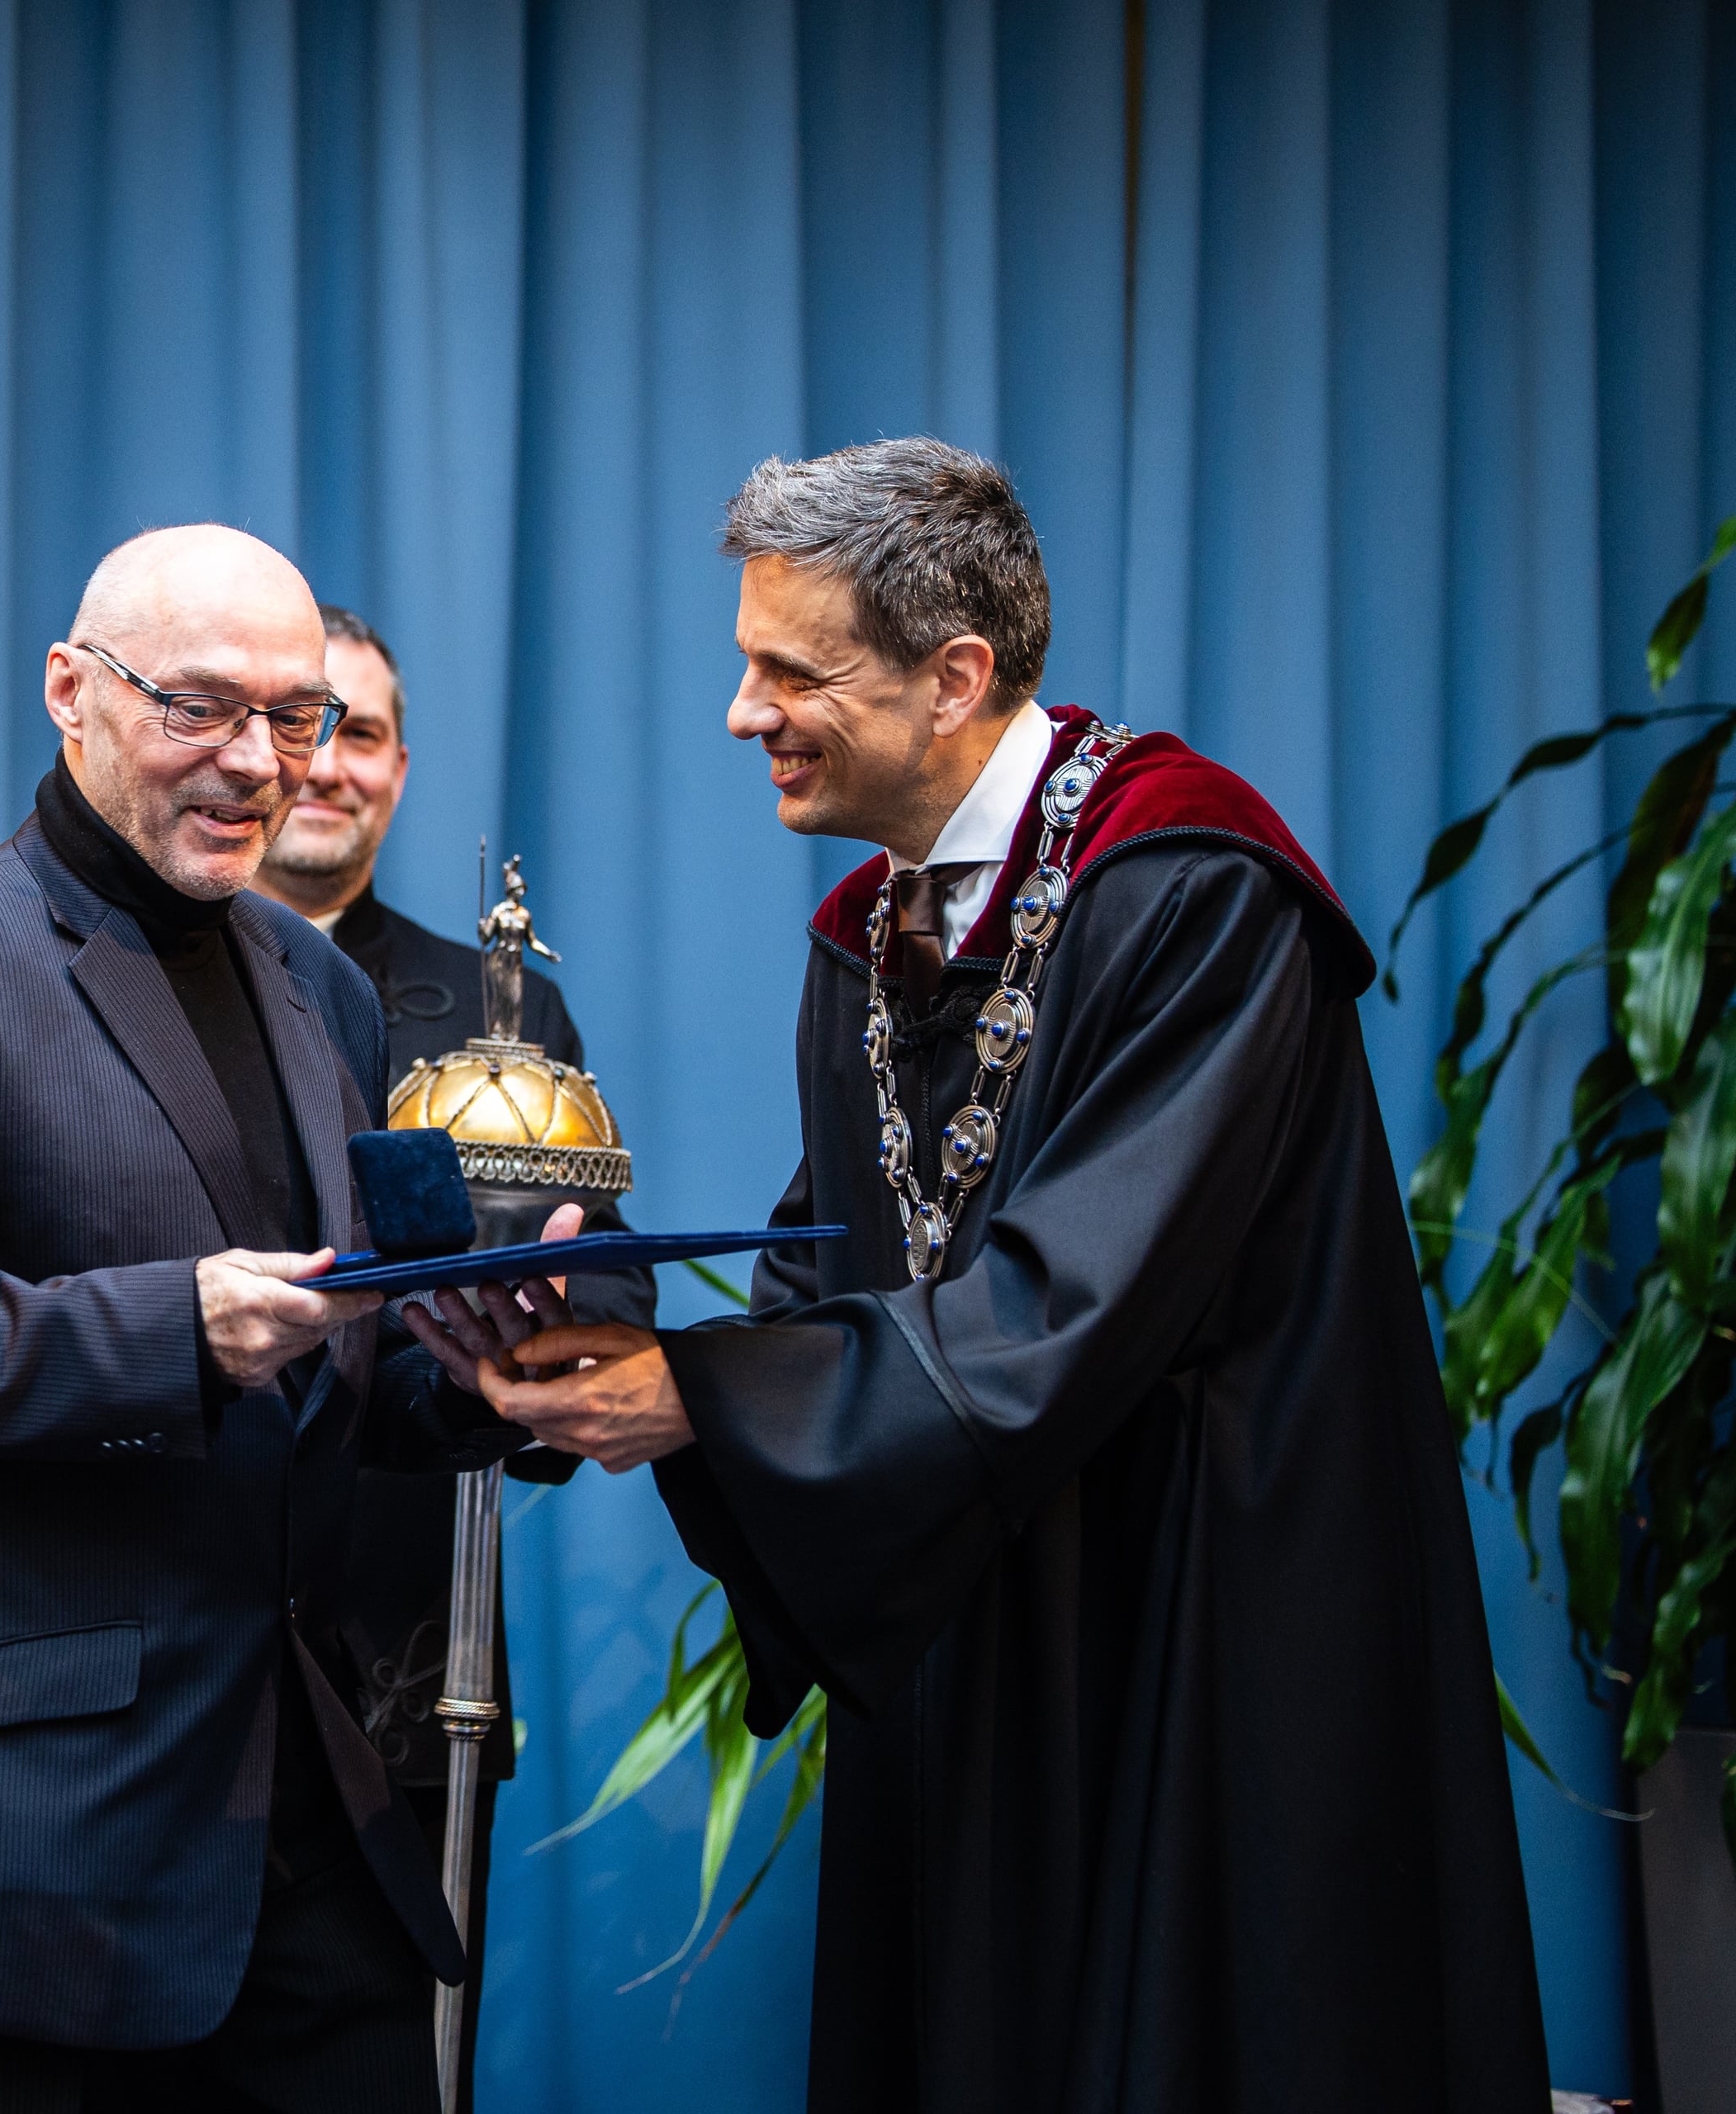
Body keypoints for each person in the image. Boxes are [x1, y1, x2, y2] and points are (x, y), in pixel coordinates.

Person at [453, 439, 1549, 2111]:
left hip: (1200, 1627)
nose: (744, 713)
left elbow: (1073, 1304)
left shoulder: (1189, 890)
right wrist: (611, 1346)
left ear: (953, 678)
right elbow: (836, 1273)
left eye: (790, 672)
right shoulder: (868, 936)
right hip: (980, 1619)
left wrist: (715, 1401)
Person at [0, 526, 528, 2112]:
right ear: (69, 692)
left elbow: (330, 1365)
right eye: (199, 708)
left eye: (294, 716)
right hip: (22, 1871)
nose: (260, 763)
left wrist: (488, 1372)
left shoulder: (321, 985)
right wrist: (171, 1330)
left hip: (307, 1852)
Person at [248, 604, 649, 2104]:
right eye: (303, 727)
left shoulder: (496, 1007)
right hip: (172, 1639)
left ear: (400, 768)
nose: (325, 764)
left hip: (411, 1655)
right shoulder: (144, 976)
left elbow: (600, 1261)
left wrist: (538, 1339)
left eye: (359, 733)